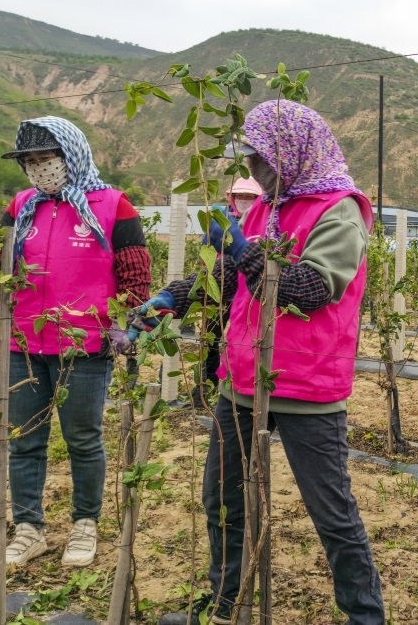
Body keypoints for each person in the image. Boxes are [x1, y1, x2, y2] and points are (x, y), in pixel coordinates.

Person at [149, 101, 384, 625]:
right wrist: (177, 296)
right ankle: (225, 603)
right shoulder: (266, 208)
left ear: (293, 154)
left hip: (307, 384)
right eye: (250, 159)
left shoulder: (339, 211)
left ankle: (365, 616)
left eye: (262, 159)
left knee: (331, 513)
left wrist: (243, 250)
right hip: (241, 379)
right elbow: (233, 280)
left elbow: (309, 289)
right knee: (222, 501)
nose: (253, 171)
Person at [0, 116, 151, 567]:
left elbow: (136, 276)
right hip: (23, 342)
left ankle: (85, 523)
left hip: (85, 345)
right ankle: (29, 528)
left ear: (72, 155)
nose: (39, 169)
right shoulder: (21, 205)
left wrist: (130, 326)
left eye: (47, 159)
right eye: (30, 162)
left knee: (83, 438)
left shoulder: (112, 205)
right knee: (24, 438)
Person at [188, 176, 263, 410]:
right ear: (232, 197)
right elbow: (206, 248)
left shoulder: (261, 218)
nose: (244, 200)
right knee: (211, 336)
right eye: (240, 196)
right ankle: (205, 386)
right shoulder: (220, 216)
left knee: (247, 338)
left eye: (250, 197)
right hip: (218, 285)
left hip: (249, 289)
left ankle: (240, 385)